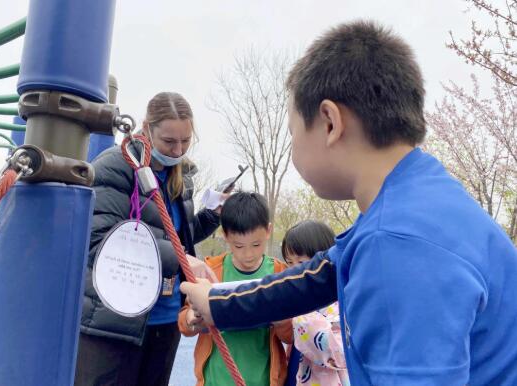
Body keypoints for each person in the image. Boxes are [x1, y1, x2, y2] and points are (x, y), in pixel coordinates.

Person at [180, 20, 517, 385]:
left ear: (330, 122)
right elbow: (318, 275)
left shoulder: (396, 242)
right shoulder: (418, 199)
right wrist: (219, 304)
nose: (293, 148)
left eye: (293, 133)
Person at [75, 92, 222, 386]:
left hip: (164, 320)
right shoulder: (115, 167)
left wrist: (214, 214)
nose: (178, 149)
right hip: (114, 323)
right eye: (169, 142)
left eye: (185, 141)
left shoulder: (180, 175)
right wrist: (182, 258)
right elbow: (98, 241)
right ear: (146, 127)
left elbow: (177, 235)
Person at [178, 192, 293, 386]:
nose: (248, 254)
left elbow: (291, 337)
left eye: (256, 245)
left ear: (268, 231)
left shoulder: (280, 274)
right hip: (215, 380)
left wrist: (282, 320)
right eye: (238, 246)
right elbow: (184, 324)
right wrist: (192, 318)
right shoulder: (211, 271)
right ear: (225, 236)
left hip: (263, 380)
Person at [281, 220, 349, 386]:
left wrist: (299, 314)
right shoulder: (301, 299)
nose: (293, 271)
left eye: (301, 263)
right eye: (289, 262)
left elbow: (340, 353)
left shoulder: (341, 302)